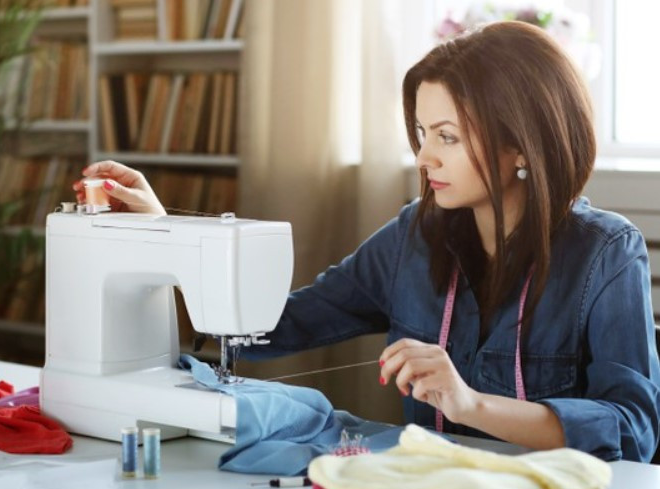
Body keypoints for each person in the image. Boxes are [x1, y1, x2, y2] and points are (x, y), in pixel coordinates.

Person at [74, 21, 660, 462]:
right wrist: (165, 238)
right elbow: (277, 323)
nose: (424, 156)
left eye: (448, 136)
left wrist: (472, 406)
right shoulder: (416, 236)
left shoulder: (606, 255)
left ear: (522, 146)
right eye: (423, 132)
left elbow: (633, 430)